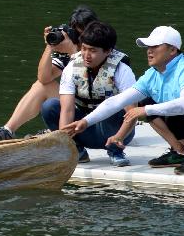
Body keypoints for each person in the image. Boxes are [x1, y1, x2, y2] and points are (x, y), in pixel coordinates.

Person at [62, 26, 184, 175]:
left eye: (155, 46)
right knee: (146, 102)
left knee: (171, 117)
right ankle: (179, 152)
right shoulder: (152, 75)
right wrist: (86, 121)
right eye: (148, 47)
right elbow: (117, 101)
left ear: (173, 50)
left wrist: (146, 110)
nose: (149, 51)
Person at [0, 5, 100, 141]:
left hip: (97, 113)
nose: (79, 39)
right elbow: (44, 78)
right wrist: (50, 46)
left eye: (81, 34)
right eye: (76, 33)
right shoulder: (69, 49)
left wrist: (73, 51)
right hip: (75, 107)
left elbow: (91, 82)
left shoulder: (101, 48)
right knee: (42, 86)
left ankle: (53, 131)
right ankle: (7, 131)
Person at [40, 21, 136, 166]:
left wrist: (119, 137)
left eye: (92, 50)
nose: (86, 55)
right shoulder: (72, 67)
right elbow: (67, 110)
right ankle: (76, 150)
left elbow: (132, 114)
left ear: (108, 51)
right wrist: (64, 143)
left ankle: (115, 150)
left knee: (114, 107)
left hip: (115, 131)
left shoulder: (122, 70)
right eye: (84, 48)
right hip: (84, 129)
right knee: (50, 106)